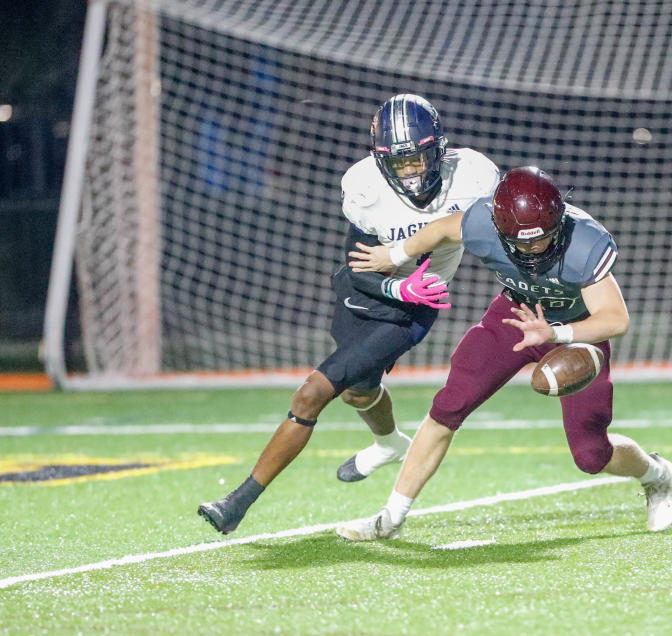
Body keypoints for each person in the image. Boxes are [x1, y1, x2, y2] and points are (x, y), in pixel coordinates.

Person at [198, 94, 499, 534]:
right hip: (368, 290)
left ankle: (236, 503)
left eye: (419, 158)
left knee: (312, 394)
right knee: (360, 391)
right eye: (400, 164)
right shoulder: (365, 188)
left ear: (439, 150)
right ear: (381, 163)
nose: (412, 170)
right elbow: (357, 268)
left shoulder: (471, 175)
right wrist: (398, 281)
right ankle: (389, 443)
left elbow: (510, 225)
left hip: (413, 309)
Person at [335, 166, 672, 541]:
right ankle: (391, 519)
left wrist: (555, 333)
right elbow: (441, 229)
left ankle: (657, 475)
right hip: (514, 315)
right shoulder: (483, 221)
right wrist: (395, 253)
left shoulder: (584, 242)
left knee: (591, 456)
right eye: (523, 242)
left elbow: (616, 319)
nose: (535, 249)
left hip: (576, 332)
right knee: (449, 405)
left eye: (543, 239)